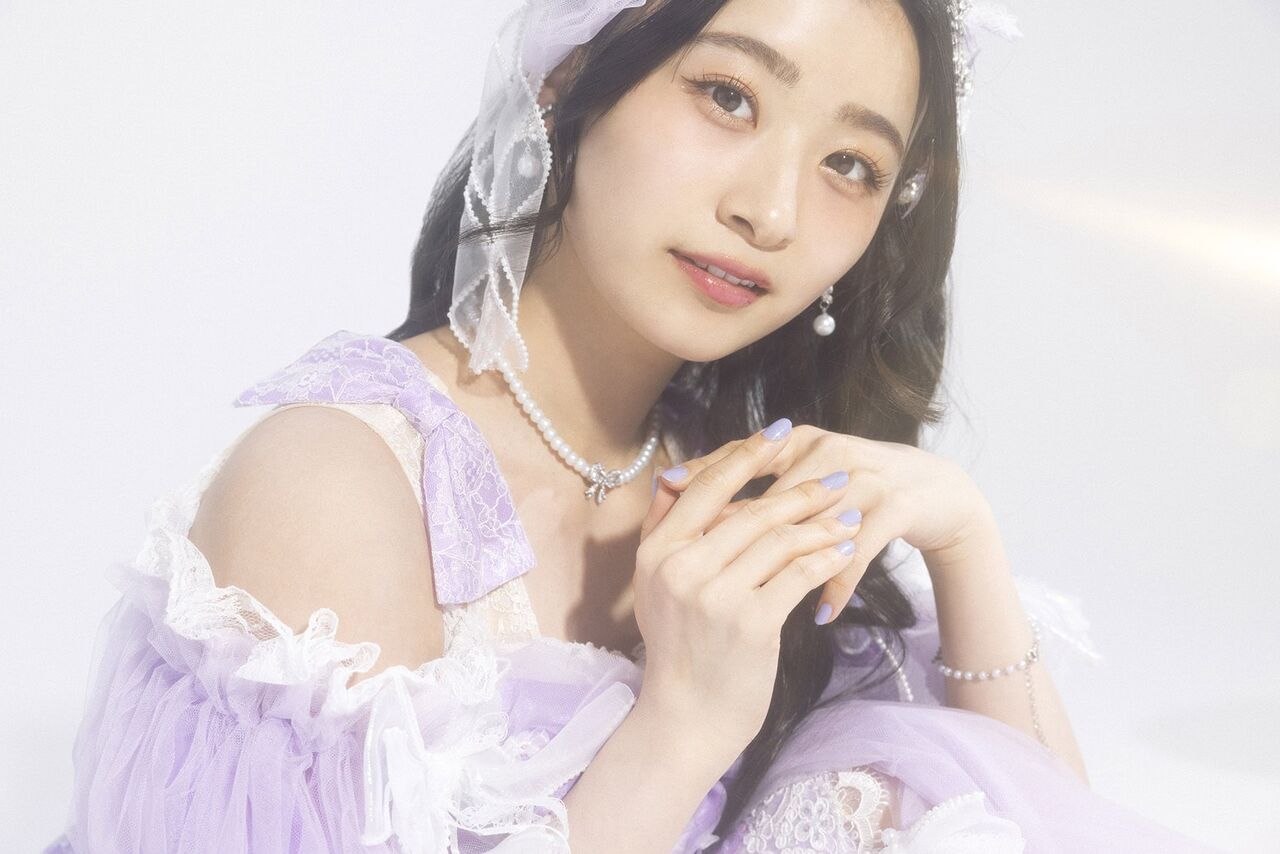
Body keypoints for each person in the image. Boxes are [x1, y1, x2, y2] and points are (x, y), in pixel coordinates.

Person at [43, 1, 1222, 852]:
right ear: (570, 83)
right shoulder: (341, 483)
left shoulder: (739, 480)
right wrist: (680, 727)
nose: (768, 210)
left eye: (849, 164)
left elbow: (1036, 818)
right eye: (727, 96)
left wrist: (963, 541)